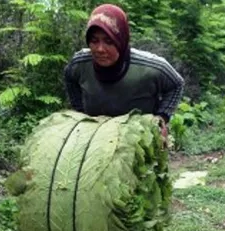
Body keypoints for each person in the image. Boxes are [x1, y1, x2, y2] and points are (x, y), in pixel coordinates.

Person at [63, 4, 185, 141]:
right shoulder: (80, 63)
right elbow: (69, 77)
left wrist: (162, 118)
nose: (100, 49)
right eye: (94, 41)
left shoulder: (151, 67)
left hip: (140, 139)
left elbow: (177, 84)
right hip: (95, 139)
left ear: (121, 40)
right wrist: (80, 111)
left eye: (109, 41)